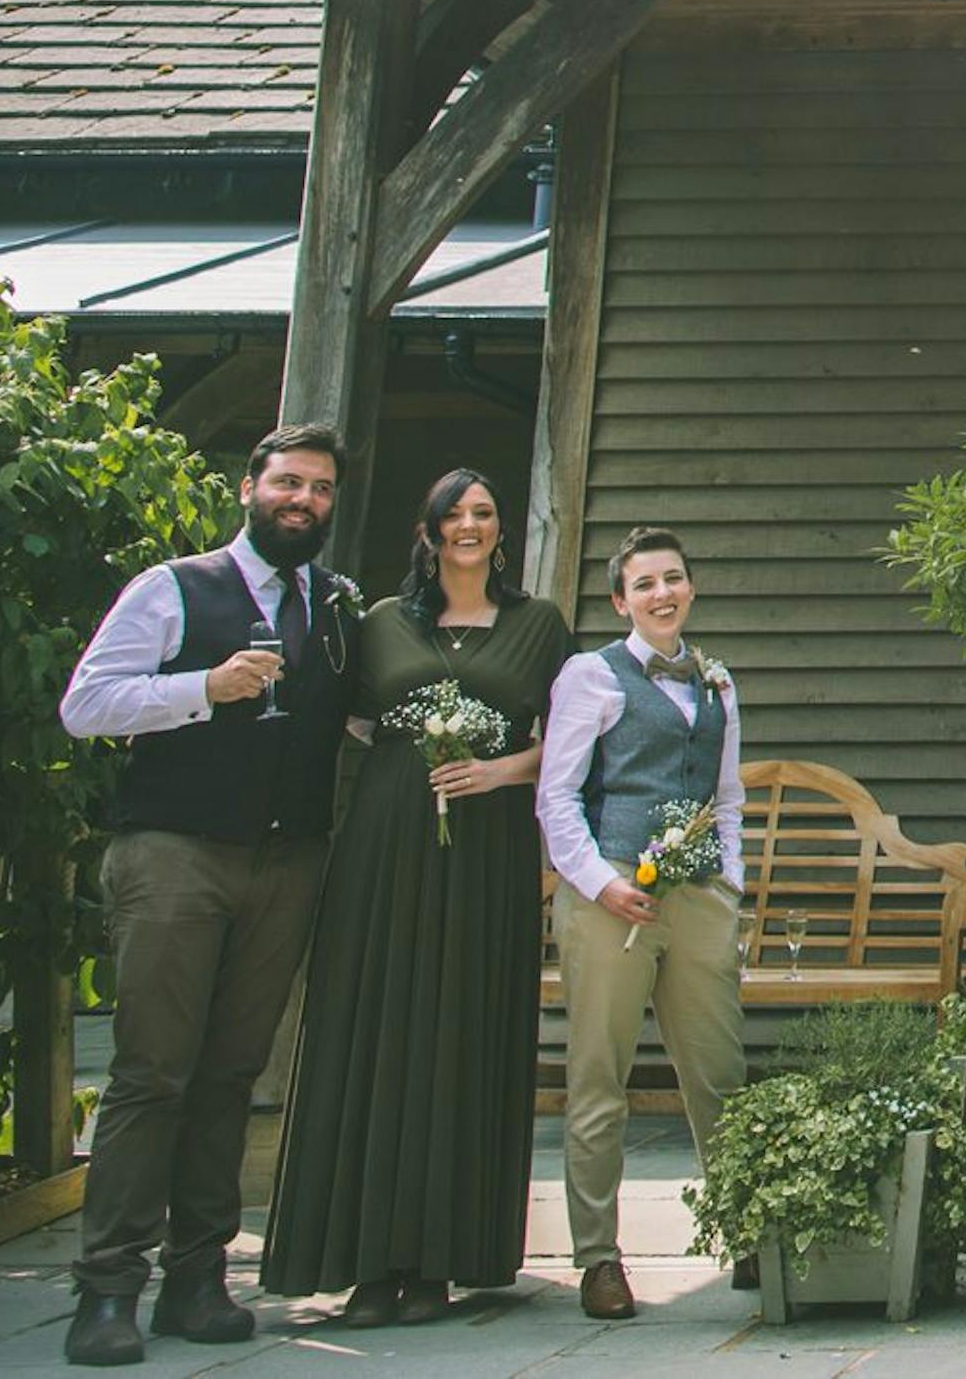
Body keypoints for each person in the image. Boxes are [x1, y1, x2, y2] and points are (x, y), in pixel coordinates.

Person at [53, 422, 356, 1367]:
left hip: (286, 863)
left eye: (319, 490)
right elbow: (86, 705)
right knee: (153, 1075)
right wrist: (205, 687)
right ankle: (107, 1288)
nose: (302, 500)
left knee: (232, 1076)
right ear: (248, 489)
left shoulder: (334, 605)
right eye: (288, 484)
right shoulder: (173, 588)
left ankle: (197, 1277)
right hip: (176, 854)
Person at [261, 469, 573, 1324]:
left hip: (487, 853)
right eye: (453, 515)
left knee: (457, 1030)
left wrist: (499, 767)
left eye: (484, 514)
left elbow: (577, 737)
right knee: (376, 1027)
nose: (468, 526)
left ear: (500, 533)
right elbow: (350, 722)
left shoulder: (538, 625)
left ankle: (439, 1259)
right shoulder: (379, 625)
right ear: (428, 531)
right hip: (386, 847)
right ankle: (365, 1259)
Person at [536, 528, 747, 1321]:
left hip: (697, 901)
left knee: (719, 1072)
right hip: (611, 895)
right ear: (620, 600)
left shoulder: (719, 682)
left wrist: (730, 886)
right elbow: (556, 796)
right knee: (600, 1079)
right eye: (646, 584)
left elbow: (727, 797)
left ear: (691, 588)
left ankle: (748, 1230)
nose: (664, 593)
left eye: (675, 579)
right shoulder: (591, 676)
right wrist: (597, 883)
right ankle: (598, 1257)